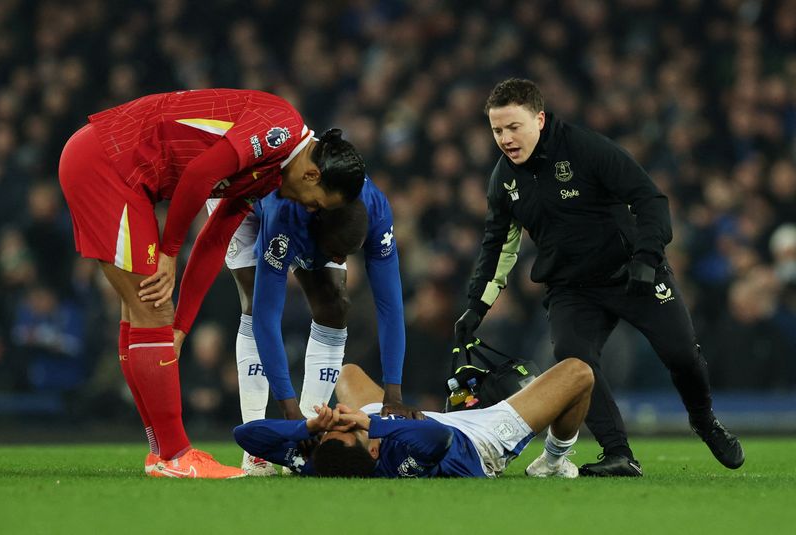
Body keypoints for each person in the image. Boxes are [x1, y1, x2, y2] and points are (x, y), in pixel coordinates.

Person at [58, 89, 365, 478]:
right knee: (152, 305)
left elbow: (214, 240)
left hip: (113, 166)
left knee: (140, 310)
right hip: (110, 163)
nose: (309, 210)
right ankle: (176, 456)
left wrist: (182, 327)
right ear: (312, 174)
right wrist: (170, 251)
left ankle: (160, 452)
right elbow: (199, 175)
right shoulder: (279, 131)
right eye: (317, 202)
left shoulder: (270, 174)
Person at [453, 78, 744, 477]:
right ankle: (619, 453)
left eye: (513, 127)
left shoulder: (586, 149)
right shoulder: (504, 181)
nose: (505, 139)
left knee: (681, 355)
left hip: (631, 272)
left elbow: (650, 199)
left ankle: (704, 420)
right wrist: (476, 306)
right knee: (576, 365)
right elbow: (498, 248)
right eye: (497, 130)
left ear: (539, 119)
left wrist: (646, 257)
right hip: (573, 288)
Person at [173, 176, 406, 475]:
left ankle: (311, 432)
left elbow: (390, 305)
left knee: (335, 304)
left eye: (344, 256)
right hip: (242, 191)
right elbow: (266, 317)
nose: (338, 260)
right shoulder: (284, 215)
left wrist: (394, 394)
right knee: (255, 298)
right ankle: (256, 452)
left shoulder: (376, 212)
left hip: (310, 208)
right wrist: (290, 414)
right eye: (334, 251)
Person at [234, 359, 593, 478]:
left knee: (348, 374)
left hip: (400, 424)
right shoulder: (400, 457)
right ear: (374, 451)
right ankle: (554, 461)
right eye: (346, 428)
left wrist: (309, 427)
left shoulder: (320, 460)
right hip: (479, 441)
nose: (340, 423)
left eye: (333, 428)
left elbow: (246, 435)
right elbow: (438, 437)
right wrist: (368, 422)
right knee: (578, 373)